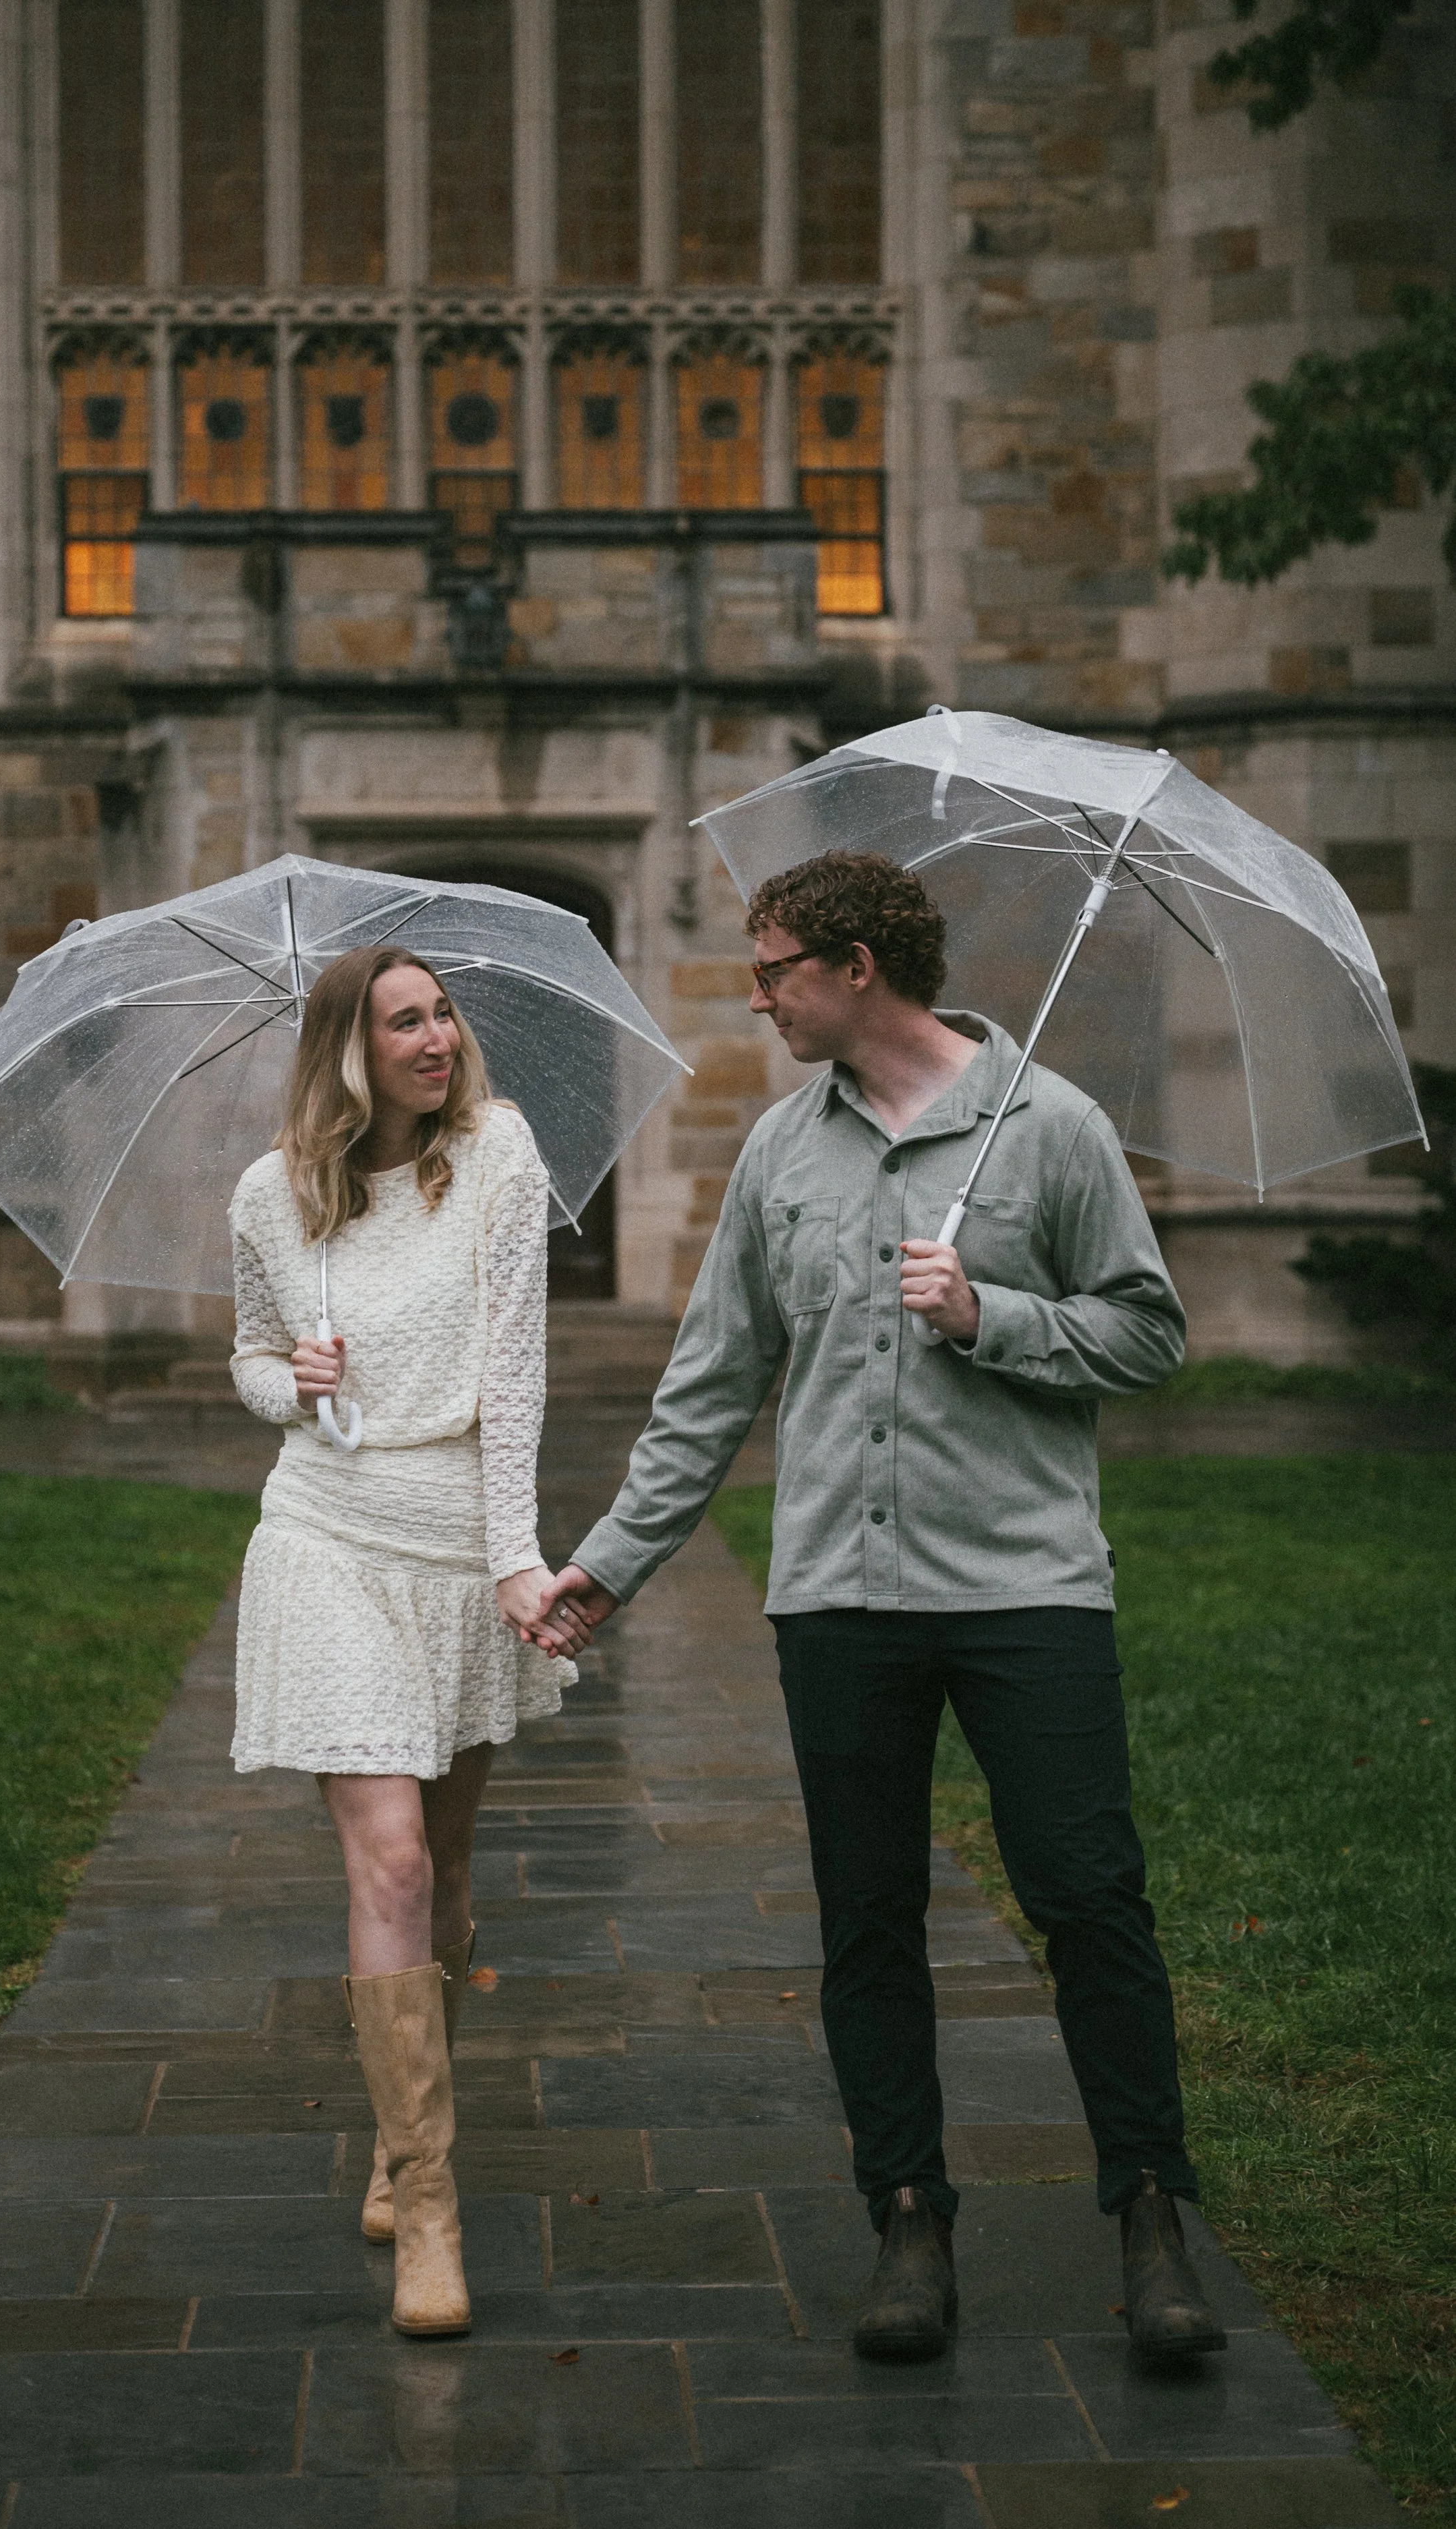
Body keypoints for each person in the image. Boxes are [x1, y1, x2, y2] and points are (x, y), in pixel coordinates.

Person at [529, 849, 1226, 2363]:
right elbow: (711, 1383)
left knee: (1086, 1896)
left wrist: (991, 1316)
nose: (758, 991)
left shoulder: (1051, 1129)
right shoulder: (783, 1152)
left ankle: (1151, 2217)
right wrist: (608, 1560)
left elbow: (1145, 1331)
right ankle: (906, 2217)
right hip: (838, 1596)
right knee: (866, 1922)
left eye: (774, 965)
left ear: (855, 966)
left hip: (1024, 1586)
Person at [227, 943, 581, 2339]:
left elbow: (513, 1373)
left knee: (440, 1865)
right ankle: (428, 2202)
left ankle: (396, 2127)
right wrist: (291, 1383)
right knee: (385, 1855)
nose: (437, 1038)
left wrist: (512, 1557)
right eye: (405, 1021)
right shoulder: (270, 1197)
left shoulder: (496, 1154)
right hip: (323, 1536)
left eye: (442, 1013)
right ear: (346, 1049)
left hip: (452, 1546)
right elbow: (250, 1356)